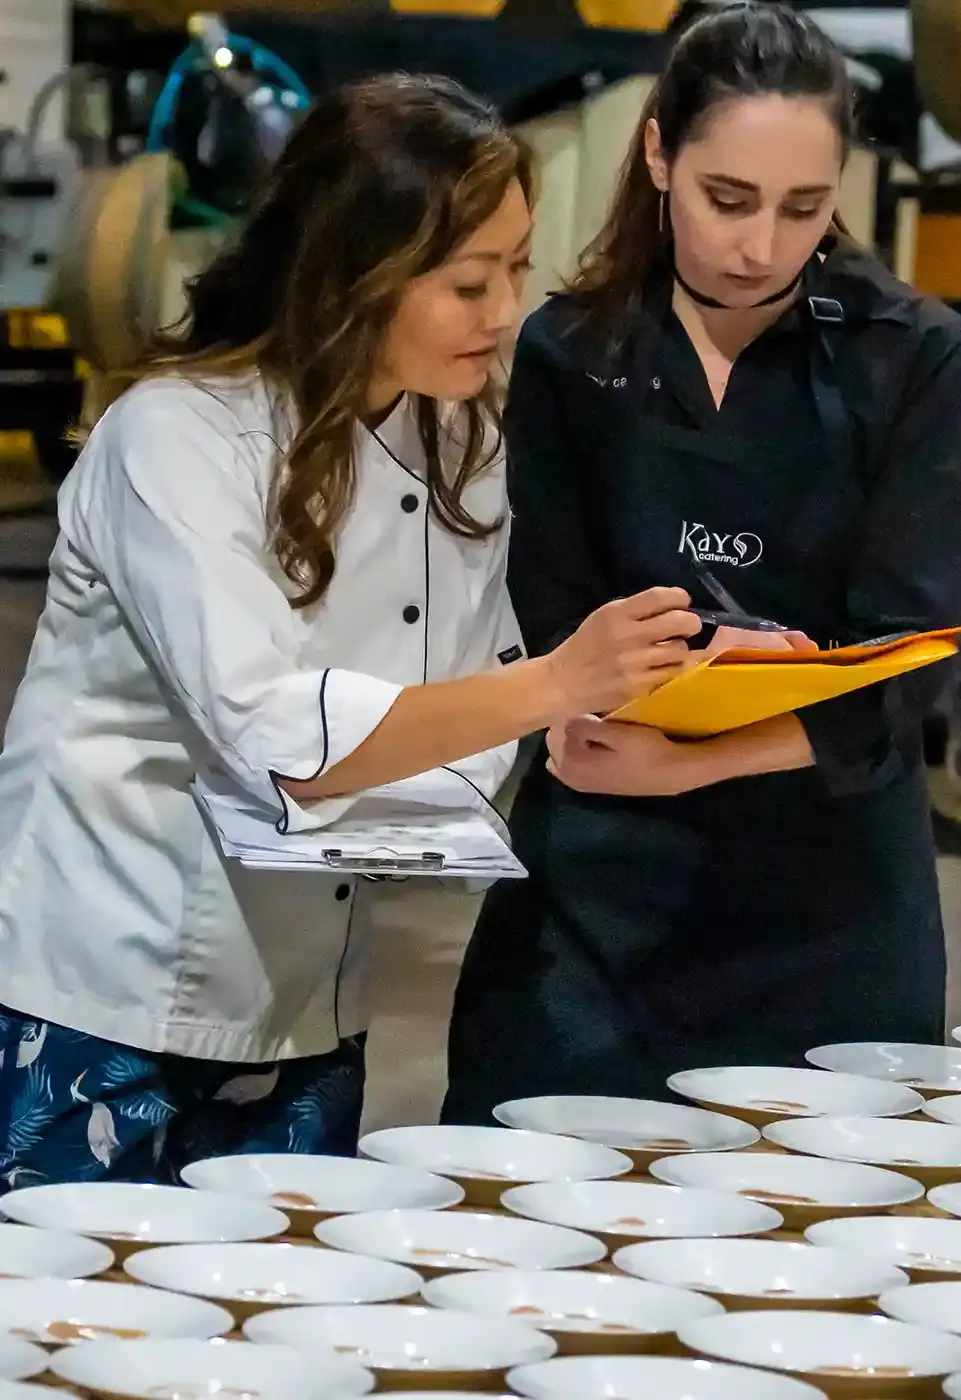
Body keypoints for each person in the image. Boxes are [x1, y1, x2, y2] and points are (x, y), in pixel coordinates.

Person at [0, 73, 699, 1187]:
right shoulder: (175, 438)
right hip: (103, 980)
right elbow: (275, 733)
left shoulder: (459, 441)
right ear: (353, 274)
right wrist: (554, 686)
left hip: (312, 997)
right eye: (470, 282)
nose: (504, 313)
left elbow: (461, 700)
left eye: (516, 272)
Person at [443, 3, 961, 1123]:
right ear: (658, 154)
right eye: (726, 199)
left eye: (804, 206)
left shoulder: (917, 361)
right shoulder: (572, 352)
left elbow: (907, 666)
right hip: (601, 889)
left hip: (831, 906)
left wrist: (697, 754)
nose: (762, 245)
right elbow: (552, 611)